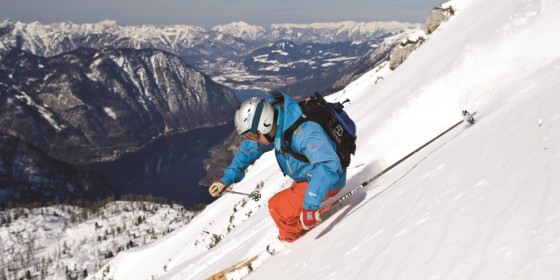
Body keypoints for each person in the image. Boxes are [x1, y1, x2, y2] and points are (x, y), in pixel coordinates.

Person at [209, 91, 346, 243]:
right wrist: (226, 179)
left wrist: (309, 208)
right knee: (289, 203)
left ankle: (292, 244)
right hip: (308, 175)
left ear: (265, 124)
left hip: (329, 179)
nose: (254, 140)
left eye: (253, 135)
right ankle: (301, 222)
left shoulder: (304, 133)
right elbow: (249, 150)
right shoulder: (277, 121)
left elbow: (328, 166)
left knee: (278, 208)